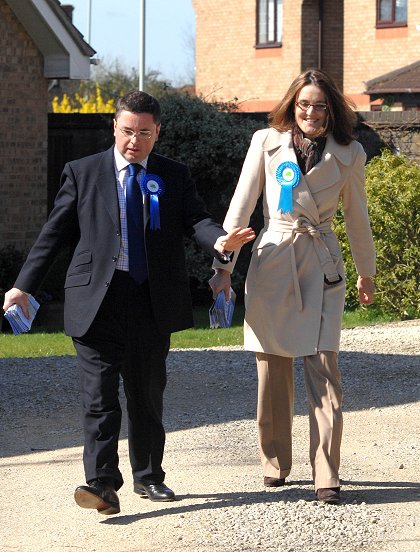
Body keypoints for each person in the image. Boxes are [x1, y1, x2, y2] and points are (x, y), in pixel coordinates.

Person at [3, 91, 255, 515]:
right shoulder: (82, 172)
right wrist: (23, 285)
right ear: (114, 129)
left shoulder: (172, 175)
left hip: (150, 300)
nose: (133, 141)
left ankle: (149, 477)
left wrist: (220, 242)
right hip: (95, 300)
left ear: (157, 134)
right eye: (126, 131)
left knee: (146, 394)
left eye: (143, 133)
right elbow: (54, 234)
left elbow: (196, 220)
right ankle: (102, 485)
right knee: (99, 398)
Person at [210, 69, 375, 505]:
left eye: (320, 106)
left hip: (322, 265)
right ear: (292, 105)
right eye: (304, 104)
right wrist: (223, 264)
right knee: (273, 369)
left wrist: (366, 270)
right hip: (272, 261)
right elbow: (241, 207)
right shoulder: (265, 142)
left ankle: (326, 474)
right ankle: (275, 463)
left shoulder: (350, 153)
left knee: (324, 368)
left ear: (332, 110)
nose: (311, 113)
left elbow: (358, 217)